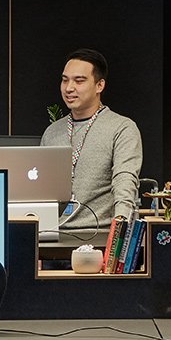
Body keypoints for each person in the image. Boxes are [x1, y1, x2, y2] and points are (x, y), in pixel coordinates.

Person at [39, 48, 143, 238]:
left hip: (99, 235)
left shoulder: (122, 128)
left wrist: (119, 231)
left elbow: (125, 180)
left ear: (99, 85)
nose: (69, 88)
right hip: (51, 234)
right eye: (65, 80)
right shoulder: (52, 132)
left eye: (79, 81)